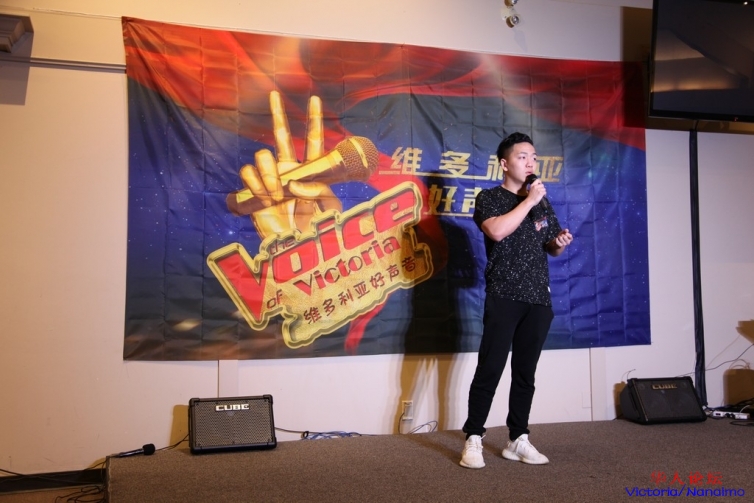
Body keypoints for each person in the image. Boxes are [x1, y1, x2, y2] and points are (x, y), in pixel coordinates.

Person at [460, 132, 573, 469]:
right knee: (491, 368)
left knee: (526, 373)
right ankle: (474, 437)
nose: (530, 163)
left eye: (534, 157)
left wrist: (559, 243)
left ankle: (517, 438)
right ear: (505, 163)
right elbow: (496, 231)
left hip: (538, 298)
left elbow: (550, 246)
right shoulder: (490, 197)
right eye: (523, 157)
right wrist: (528, 200)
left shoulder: (541, 202)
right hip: (505, 294)